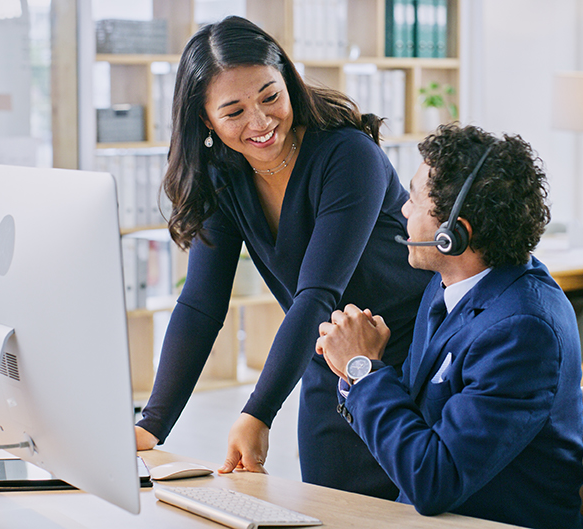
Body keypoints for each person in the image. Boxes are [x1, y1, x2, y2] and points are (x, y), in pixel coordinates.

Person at [133, 16, 433, 499]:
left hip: (408, 365)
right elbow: (200, 304)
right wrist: (153, 423)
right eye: (233, 111)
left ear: (288, 82)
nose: (260, 122)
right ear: (205, 120)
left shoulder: (346, 155)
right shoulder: (223, 176)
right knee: (333, 511)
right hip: (326, 368)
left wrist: (257, 412)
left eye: (270, 97)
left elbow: (317, 293)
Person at [316, 124, 583, 529]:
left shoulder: (523, 330)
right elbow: (415, 423)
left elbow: (433, 482)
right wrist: (354, 371)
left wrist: (363, 367)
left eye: (412, 198)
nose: (403, 211)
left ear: (453, 233)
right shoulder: (445, 289)